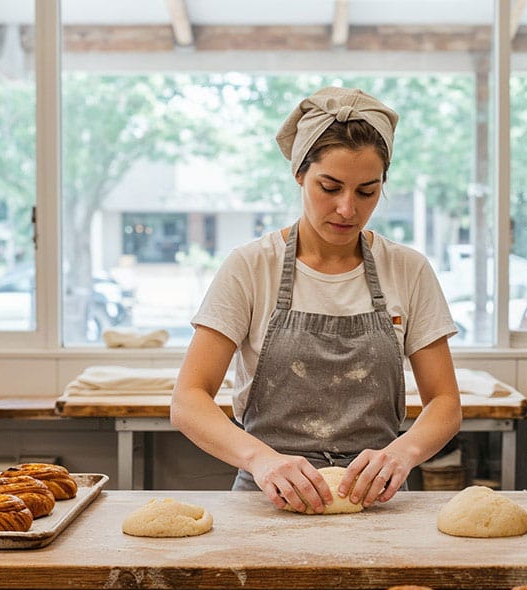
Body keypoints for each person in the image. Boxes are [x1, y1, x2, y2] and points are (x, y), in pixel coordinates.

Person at [171, 86, 461, 514]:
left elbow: (445, 402)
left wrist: (403, 453)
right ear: (299, 175)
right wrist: (261, 459)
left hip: (378, 502)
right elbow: (189, 398)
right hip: (268, 499)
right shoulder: (251, 266)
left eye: (367, 191)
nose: (347, 209)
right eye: (330, 187)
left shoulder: (407, 269)